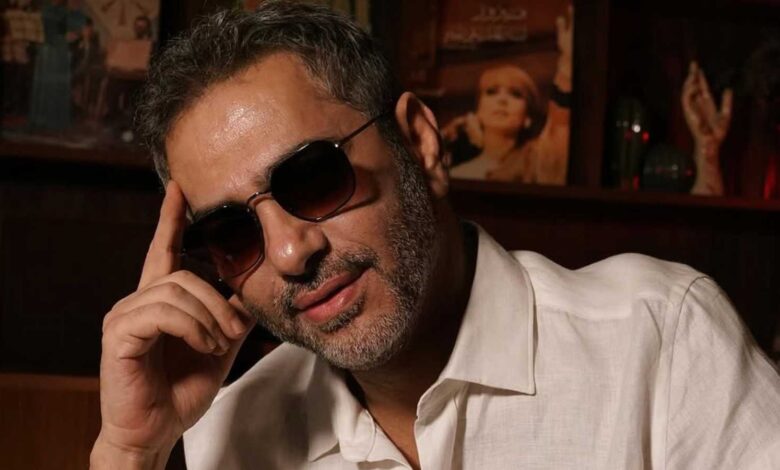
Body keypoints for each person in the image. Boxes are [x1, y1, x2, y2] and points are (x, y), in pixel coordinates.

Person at [90, 2, 780, 469]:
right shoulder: (229, 428)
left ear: (421, 143)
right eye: (233, 232)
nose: (291, 253)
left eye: (313, 180)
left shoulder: (657, 340)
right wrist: (129, 452)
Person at [442, 6, 572, 185]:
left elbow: (559, 125)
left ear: (527, 118)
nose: (502, 100)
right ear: (478, 110)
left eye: (515, 94)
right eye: (492, 91)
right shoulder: (454, 173)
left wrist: (567, 62)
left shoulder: (538, 161)